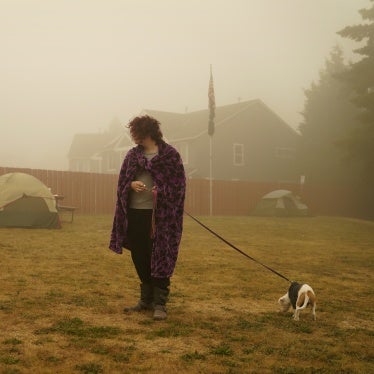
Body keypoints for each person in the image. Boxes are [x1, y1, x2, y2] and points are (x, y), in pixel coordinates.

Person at [109, 115, 186, 320]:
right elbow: (122, 184)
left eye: (137, 133)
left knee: (161, 255)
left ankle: (160, 303)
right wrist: (132, 185)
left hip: (162, 218)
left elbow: (178, 186)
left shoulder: (170, 156)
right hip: (135, 213)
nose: (134, 138)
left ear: (148, 132)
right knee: (140, 254)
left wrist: (161, 192)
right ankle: (146, 300)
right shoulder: (132, 156)